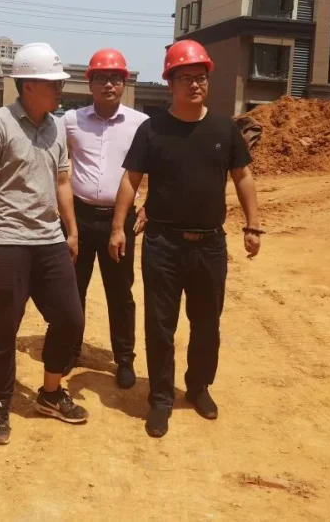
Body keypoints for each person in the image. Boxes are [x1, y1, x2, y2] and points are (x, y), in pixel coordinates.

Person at [109, 39, 262, 439]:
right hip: (163, 245)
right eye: (185, 78)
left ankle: (198, 387)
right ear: (170, 83)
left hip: (210, 245)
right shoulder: (152, 129)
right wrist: (118, 227)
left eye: (200, 77)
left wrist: (253, 224)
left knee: (207, 323)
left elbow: (243, 176)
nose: (195, 84)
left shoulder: (225, 129)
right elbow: (130, 180)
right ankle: (160, 398)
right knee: (161, 325)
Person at [0, 42, 88, 446]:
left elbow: (63, 181)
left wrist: (72, 229)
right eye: (54, 82)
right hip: (9, 242)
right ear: (29, 85)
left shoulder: (57, 127)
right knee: (4, 328)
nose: (61, 88)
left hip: (50, 240)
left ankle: (50, 392)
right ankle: (0, 402)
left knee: (70, 319)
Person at [62, 49, 147, 389]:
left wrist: (150, 205)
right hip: (79, 218)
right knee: (73, 288)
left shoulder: (140, 124)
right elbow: (56, 163)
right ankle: (70, 350)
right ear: (90, 84)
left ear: (124, 83)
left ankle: (124, 359)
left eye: (115, 78)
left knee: (120, 291)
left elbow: (156, 167)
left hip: (120, 220)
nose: (108, 84)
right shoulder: (71, 121)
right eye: (101, 78)